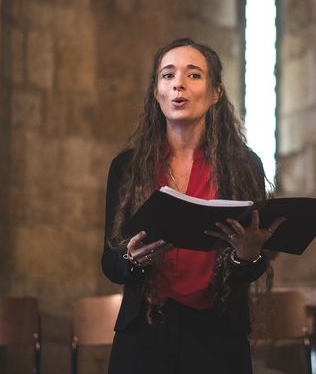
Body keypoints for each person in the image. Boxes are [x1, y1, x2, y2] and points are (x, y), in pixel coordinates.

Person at [102, 38, 285, 374]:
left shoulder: (244, 165)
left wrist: (248, 255)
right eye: (167, 75)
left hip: (216, 336)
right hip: (144, 333)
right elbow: (110, 263)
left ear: (215, 92)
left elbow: (250, 269)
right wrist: (132, 258)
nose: (179, 85)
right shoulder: (127, 167)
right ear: (156, 91)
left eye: (194, 75)